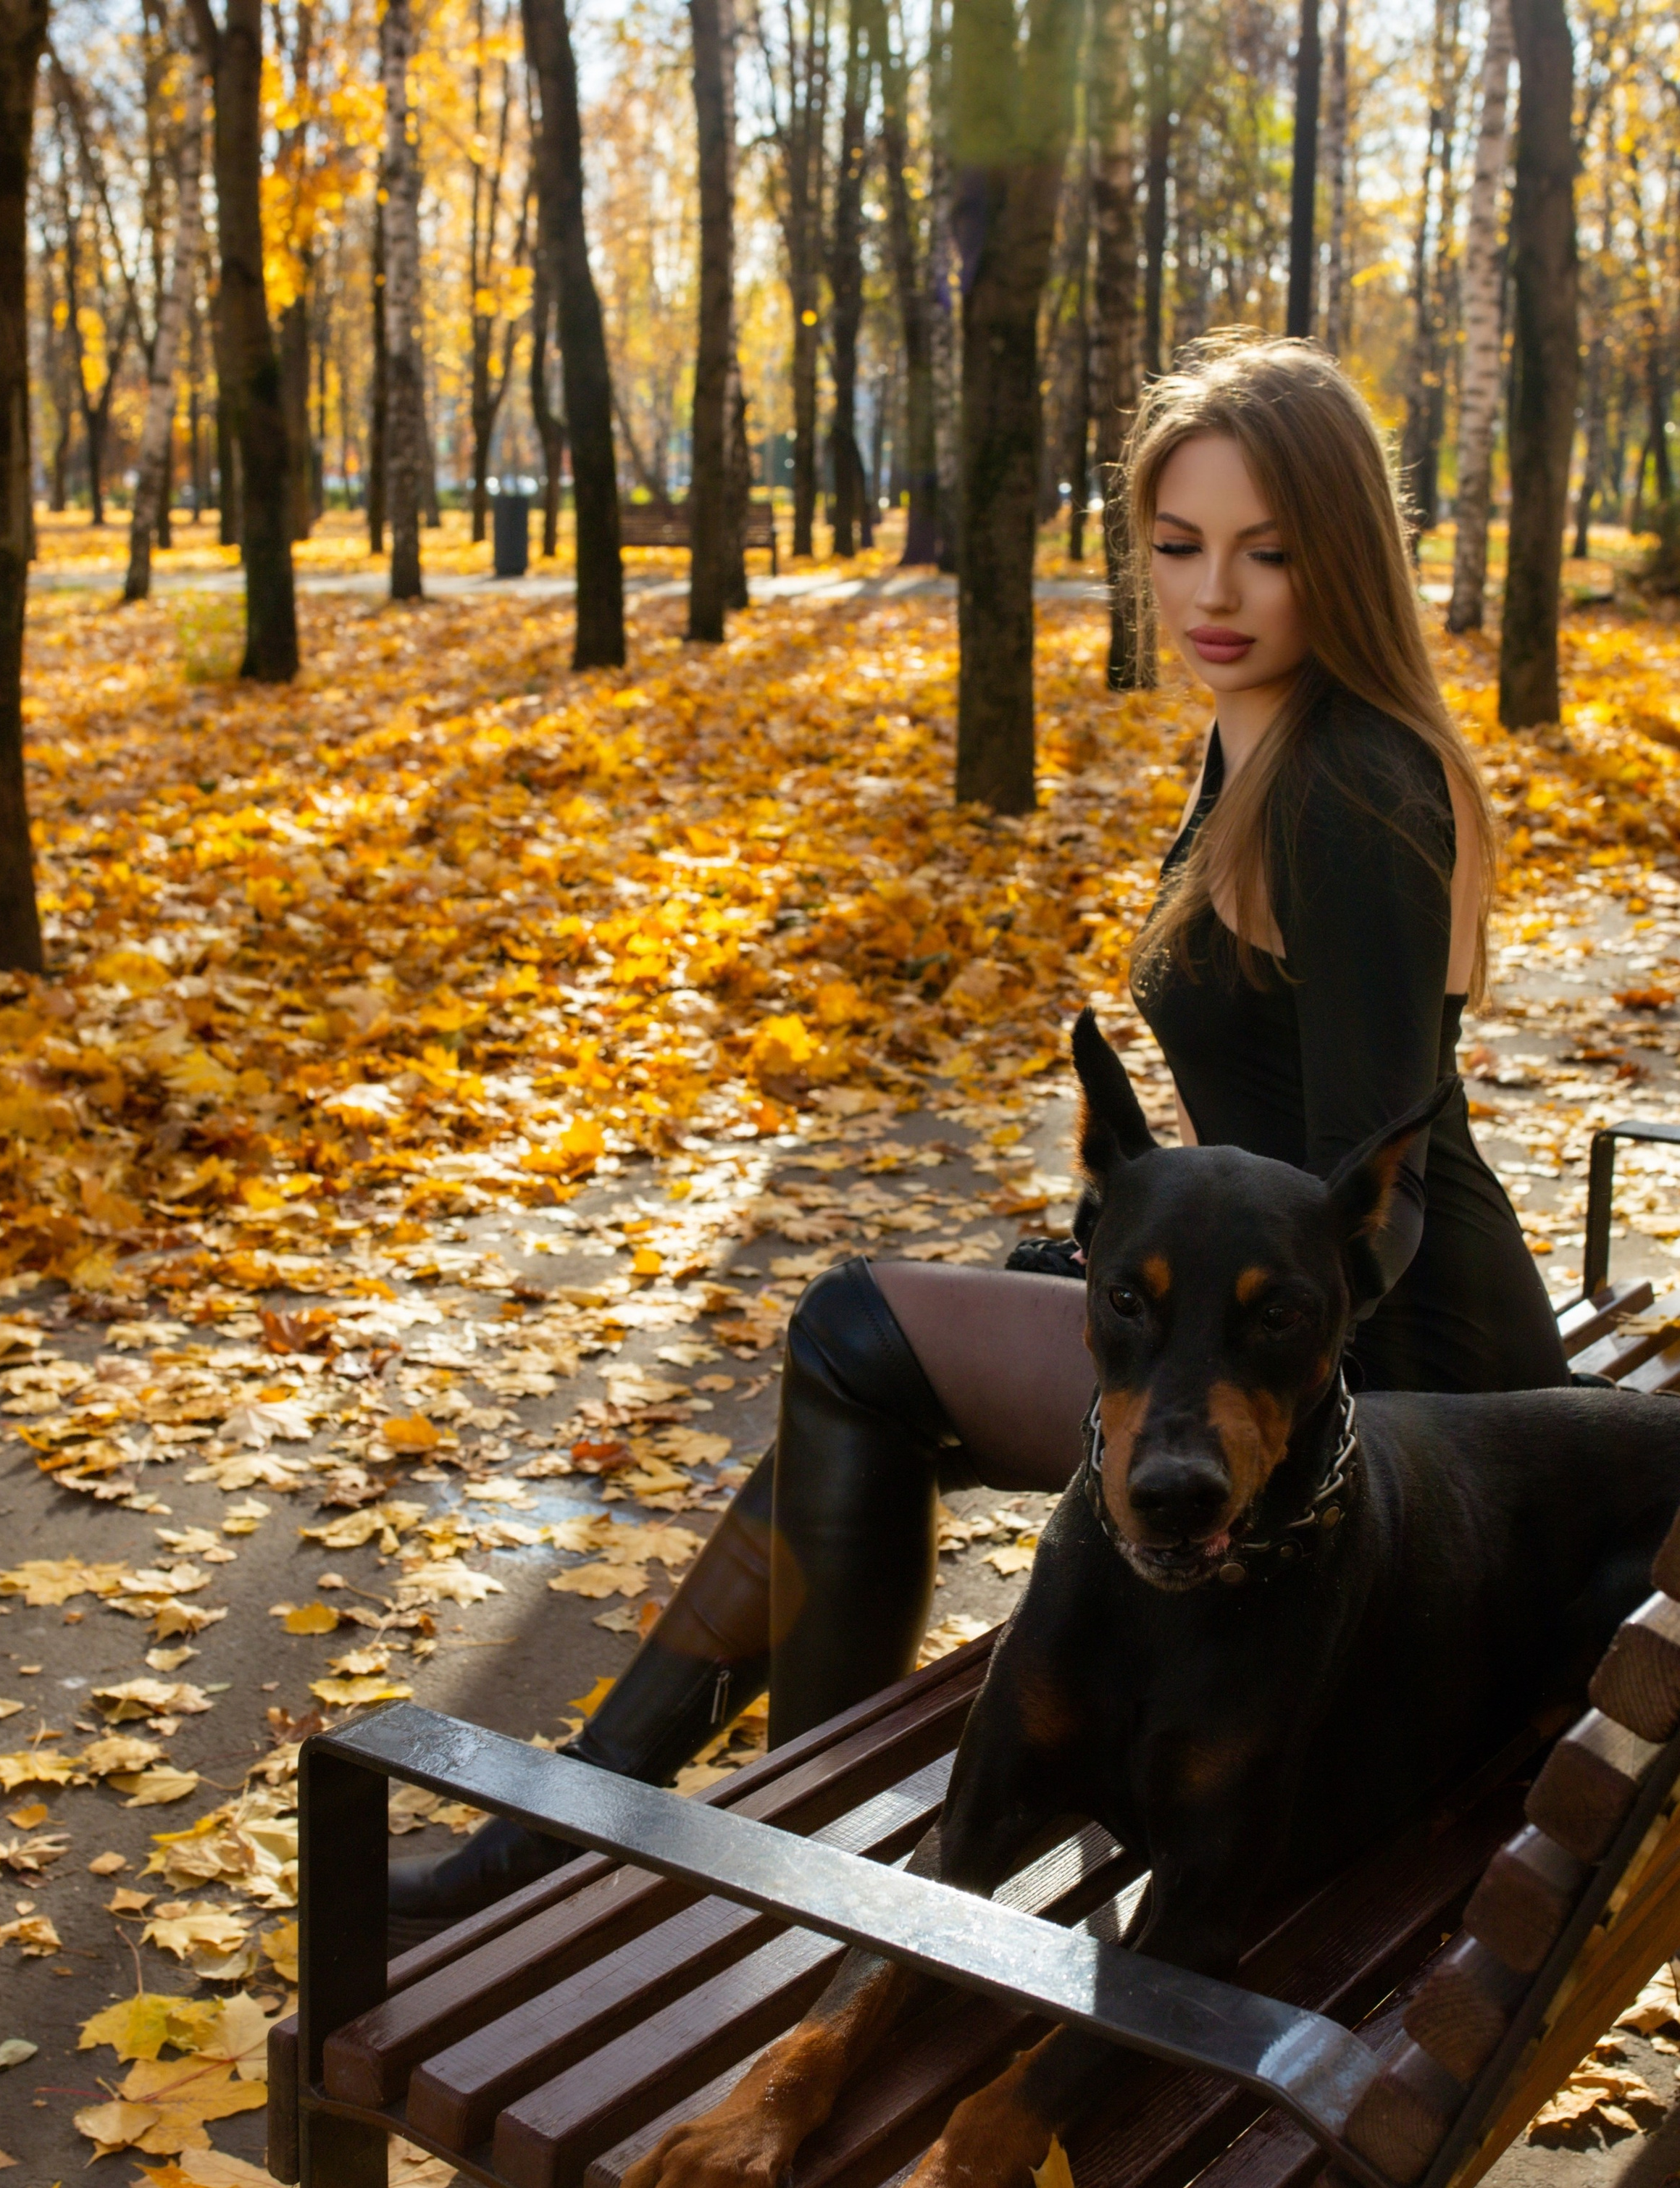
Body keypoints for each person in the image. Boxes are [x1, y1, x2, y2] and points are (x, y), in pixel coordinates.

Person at [388, 331, 1569, 1937]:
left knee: (854, 1333)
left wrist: (1211, 1344)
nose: (1210, 590)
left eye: (1266, 552)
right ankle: (630, 1836)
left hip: (1401, 1386)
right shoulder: (1260, 733)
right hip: (1268, 1310)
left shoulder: (1346, 785)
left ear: (1338, 555)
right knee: (859, 1377)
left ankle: (773, 1854)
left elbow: (1380, 1199)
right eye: (1174, 545)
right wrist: (1131, 1273)